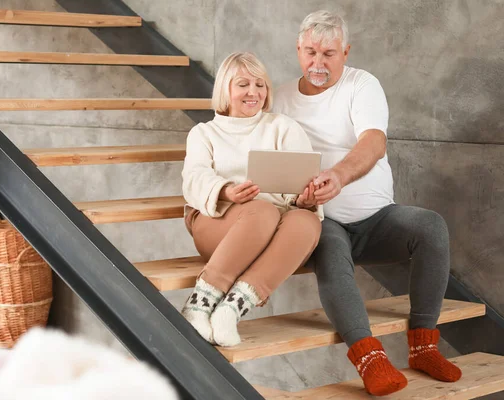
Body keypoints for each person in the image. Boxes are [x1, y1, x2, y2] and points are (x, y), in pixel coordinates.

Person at [273, 10, 461, 396]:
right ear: (297, 50)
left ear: (346, 52)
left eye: (329, 53)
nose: (318, 63)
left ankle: (423, 346)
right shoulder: (279, 98)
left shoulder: (363, 84)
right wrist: (297, 197)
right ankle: (369, 358)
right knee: (326, 242)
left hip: (377, 219)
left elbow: (374, 142)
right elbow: (268, 162)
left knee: (431, 226)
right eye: (310, 52)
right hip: (320, 219)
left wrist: (338, 176)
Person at [180, 52, 323, 347]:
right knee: (262, 211)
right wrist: (225, 190)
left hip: (273, 224)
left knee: (308, 222)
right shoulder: (204, 133)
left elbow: (301, 181)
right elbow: (193, 178)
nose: (253, 92)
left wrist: (306, 198)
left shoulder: (283, 128)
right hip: (217, 223)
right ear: (225, 90)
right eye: (243, 84)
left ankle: (231, 309)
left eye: (260, 85)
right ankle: (198, 305)